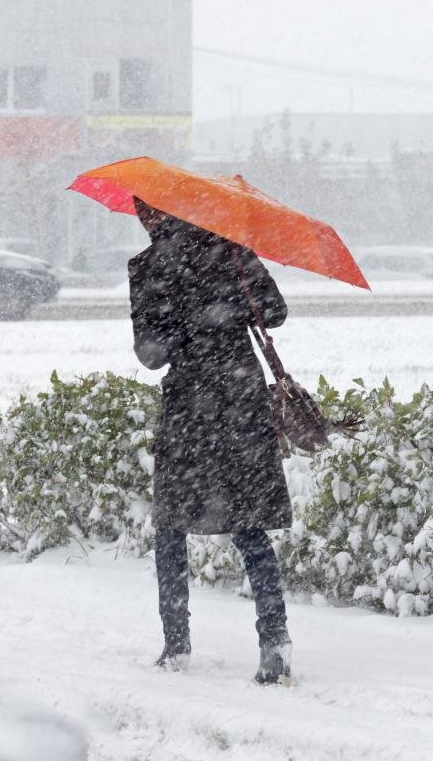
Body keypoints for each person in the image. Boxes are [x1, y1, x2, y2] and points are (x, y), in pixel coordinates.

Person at [127, 196, 293, 685]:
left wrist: (184, 321)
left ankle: (175, 646)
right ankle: (275, 642)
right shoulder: (232, 249)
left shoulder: (149, 266)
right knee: (248, 525)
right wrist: (227, 302)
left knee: (171, 525)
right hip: (241, 398)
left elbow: (151, 355)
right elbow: (275, 313)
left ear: (149, 214)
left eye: (143, 211)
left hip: (189, 410)